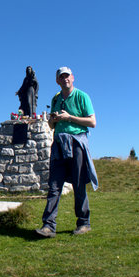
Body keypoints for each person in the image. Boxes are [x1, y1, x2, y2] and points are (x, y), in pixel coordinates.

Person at [41, 66, 100, 236]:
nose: (65, 79)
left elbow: (92, 122)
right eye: (62, 77)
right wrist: (53, 120)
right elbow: (52, 126)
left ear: (73, 77)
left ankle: (84, 223)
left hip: (76, 142)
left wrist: (69, 118)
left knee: (78, 183)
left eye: (67, 76)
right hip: (59, 143)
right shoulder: (56, 99)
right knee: (54, 185)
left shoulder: (82, 96)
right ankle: (48, 226)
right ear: (57, 81)